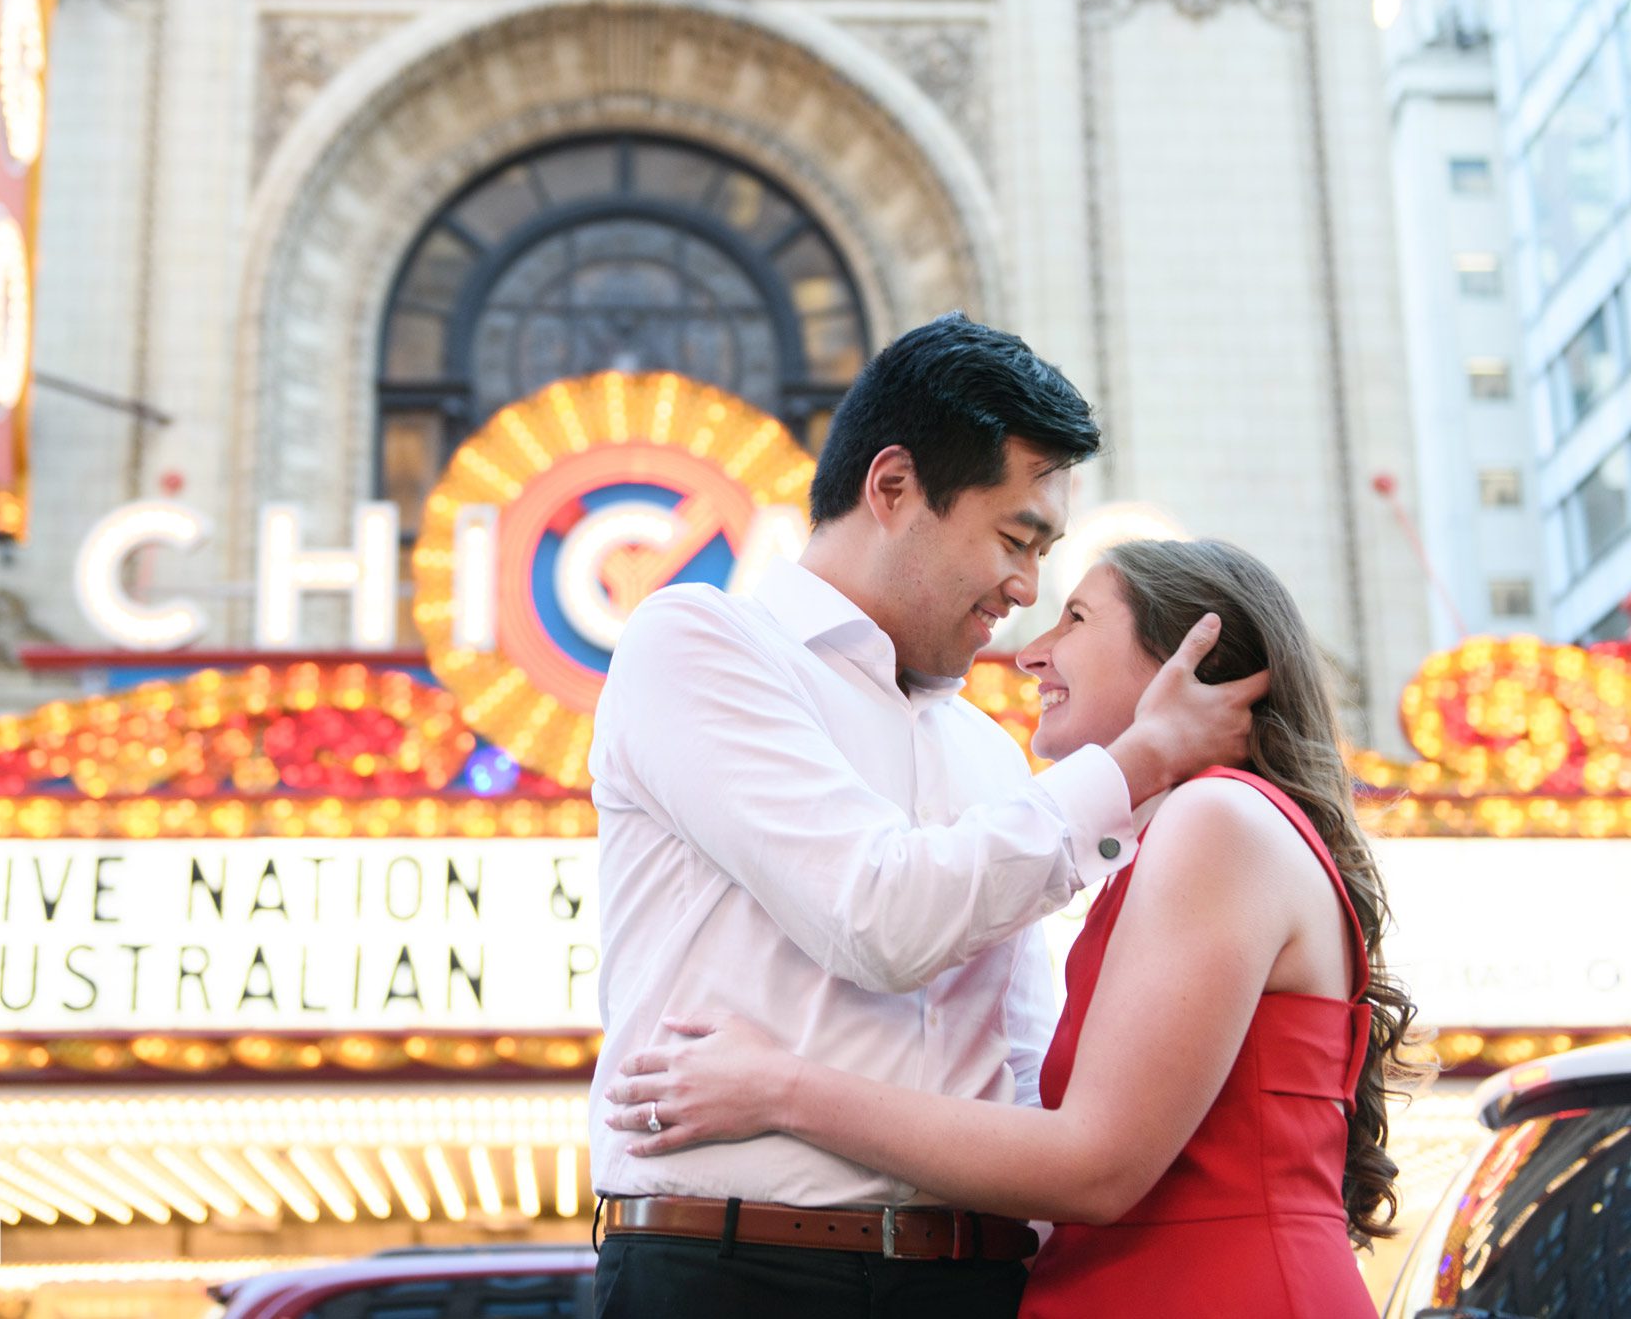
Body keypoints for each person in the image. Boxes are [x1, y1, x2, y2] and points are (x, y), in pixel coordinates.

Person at [586, 314, 1269, 1319]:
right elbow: (877, 917)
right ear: (893, 486)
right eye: (1012, 537)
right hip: (732, 1272)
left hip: (975, 1280)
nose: (1026, 588)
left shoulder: (992, 753)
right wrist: (1138, 761)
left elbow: (1019, 1058)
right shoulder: (698, 640)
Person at [604, 538, 1425, 1318]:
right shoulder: (1176, 839)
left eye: (1076, 618)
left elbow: (1094, 1165)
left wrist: (781, 1087)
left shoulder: (1216, 819)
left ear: (1189, 662)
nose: (1032, 651)